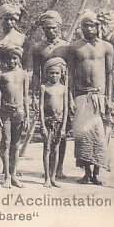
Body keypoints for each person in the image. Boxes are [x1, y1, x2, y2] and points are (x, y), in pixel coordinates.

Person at [69, 10, 113, 186]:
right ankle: (86, 173)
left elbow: (110, 74)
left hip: (100, 97)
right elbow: (71, 75)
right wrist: (71, 98)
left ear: (97, 27)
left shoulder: (107, 47)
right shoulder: (75, 47)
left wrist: (109, 98)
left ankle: (96, 173)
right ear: (81, 27)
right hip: (81, 96)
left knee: (100, 137)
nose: (88, 28)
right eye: (85, 25)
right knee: (83, 136)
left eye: (92, 25)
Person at [0, 3, 28, 175]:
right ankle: (0, 163)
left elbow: (25, 63)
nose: (10, 22)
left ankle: (12, 167)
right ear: (1, 20)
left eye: (13, 19)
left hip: (16, 82)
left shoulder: (21, 38)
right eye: (6, 19)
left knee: (14, 134)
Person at [31, 10, 70, 179]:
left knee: (62, 130)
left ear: (59, 27)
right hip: (45, 93)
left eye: (53, 28)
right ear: (43, 29)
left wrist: (69, 95)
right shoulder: (38, 48)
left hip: (62, 93)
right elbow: (36, 73)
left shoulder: (66, 47)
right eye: (47, 28)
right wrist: (34, 95)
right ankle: (47, 170)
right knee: (47, 131)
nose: (50, 31)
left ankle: (59, 168)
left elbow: (69, 73)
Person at [0, 43, 30, 188]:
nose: (12, 62)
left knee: (16, 145)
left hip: (19, 111)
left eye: (14, 58)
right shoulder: (1, 74)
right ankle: (6, 176)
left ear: (19, 59)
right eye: (9, 59)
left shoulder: (23, 74)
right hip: (5, 111)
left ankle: (14, 174)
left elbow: (26, 96)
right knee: (6, 142)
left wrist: (27, 116)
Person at [39, 57, 68, 188]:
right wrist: (43, 126)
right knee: (47, 149)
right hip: (48, 121)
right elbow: (40, 107)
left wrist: (63, 127)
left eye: (57, 73)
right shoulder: (44, 87)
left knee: (56, 149)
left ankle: (53, 177)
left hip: (59, 122)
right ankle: (46, 178)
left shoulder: (64, 89)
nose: (54, 75)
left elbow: (66, 108)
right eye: (51, 73)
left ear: (61, 74)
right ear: (47, 73)